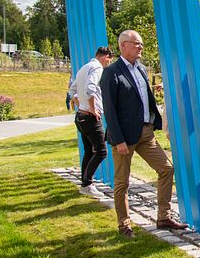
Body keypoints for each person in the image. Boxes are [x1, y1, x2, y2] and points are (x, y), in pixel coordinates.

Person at [100, 30, 188, 239]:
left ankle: (163, 217)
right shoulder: (111, 73)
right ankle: (124, 225)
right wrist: (119, 139)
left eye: (141, 44)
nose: (141, 47)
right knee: (122, 182)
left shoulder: (140, 69)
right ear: (123, 45)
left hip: (145, 133)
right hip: (124, 138)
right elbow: (110, 111)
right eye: (136, 43)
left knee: (166, 169)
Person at [69, 47, 113, 198]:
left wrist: (76, 100)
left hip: (80, 116)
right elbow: (90, 89)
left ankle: (85, 183)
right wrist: (94, 109)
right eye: (109, 60)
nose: (108, 64)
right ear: (105, 56)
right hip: (90, 116)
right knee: (101, 151)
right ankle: (87, 183)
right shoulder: (97, 68)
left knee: (89, 151)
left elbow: (72, 89)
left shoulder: (84, 68)